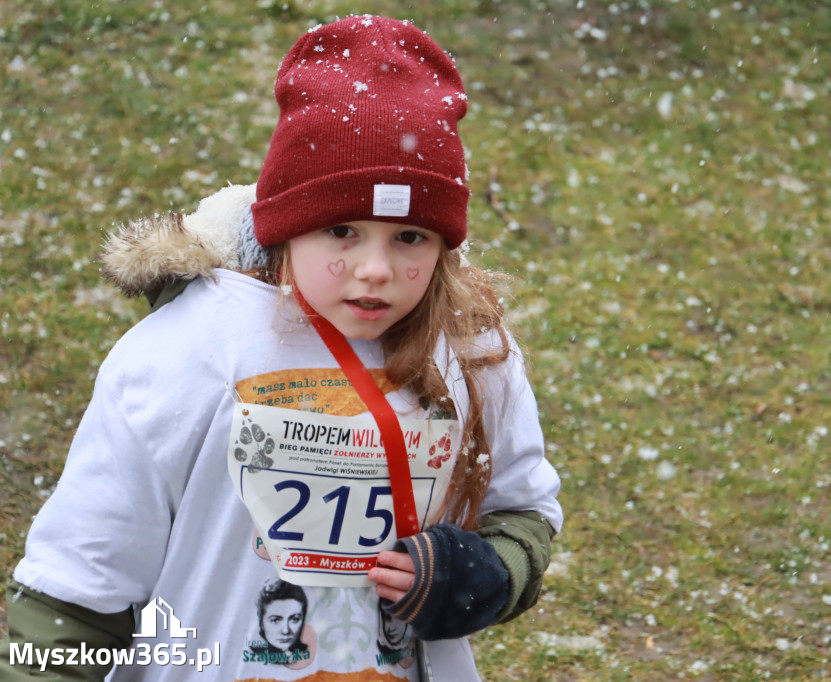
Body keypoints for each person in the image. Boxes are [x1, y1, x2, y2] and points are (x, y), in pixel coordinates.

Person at [2, 14, 561, 681]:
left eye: (409, 236)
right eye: (342, 231)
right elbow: (80, 582)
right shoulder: (189, 350)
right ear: (286, 227)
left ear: (445, 245)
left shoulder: (473, 348)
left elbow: (522, 509)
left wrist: (487, 574)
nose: (376, 269)